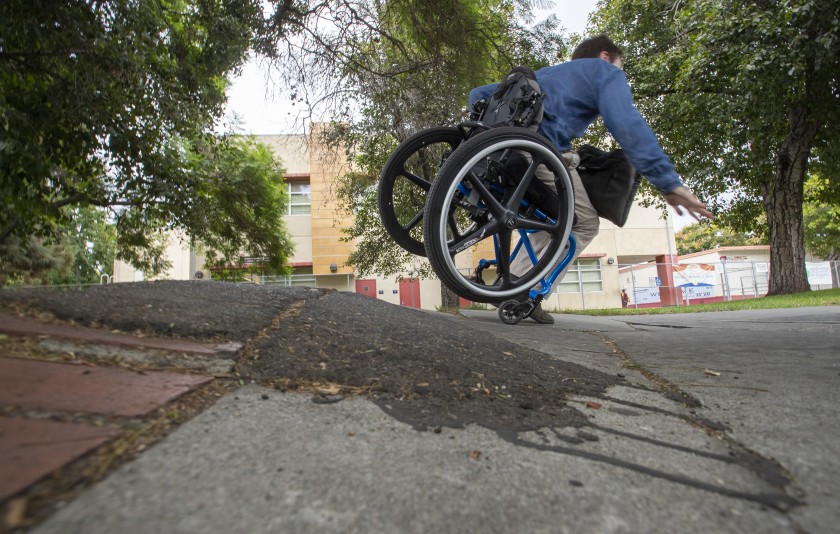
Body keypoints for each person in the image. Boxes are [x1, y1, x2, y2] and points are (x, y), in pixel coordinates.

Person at [469, 35, 713, 324]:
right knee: (583, 222)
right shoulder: (605, 72)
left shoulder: (549, 73)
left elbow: (478, 94)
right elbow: (627, 124)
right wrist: (667, 182)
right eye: (620, 68)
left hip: (503, 148)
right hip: (541, 151)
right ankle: (525, 291)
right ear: (605, 57)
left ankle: (513, 282)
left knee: (551, 216)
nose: (619, 75)